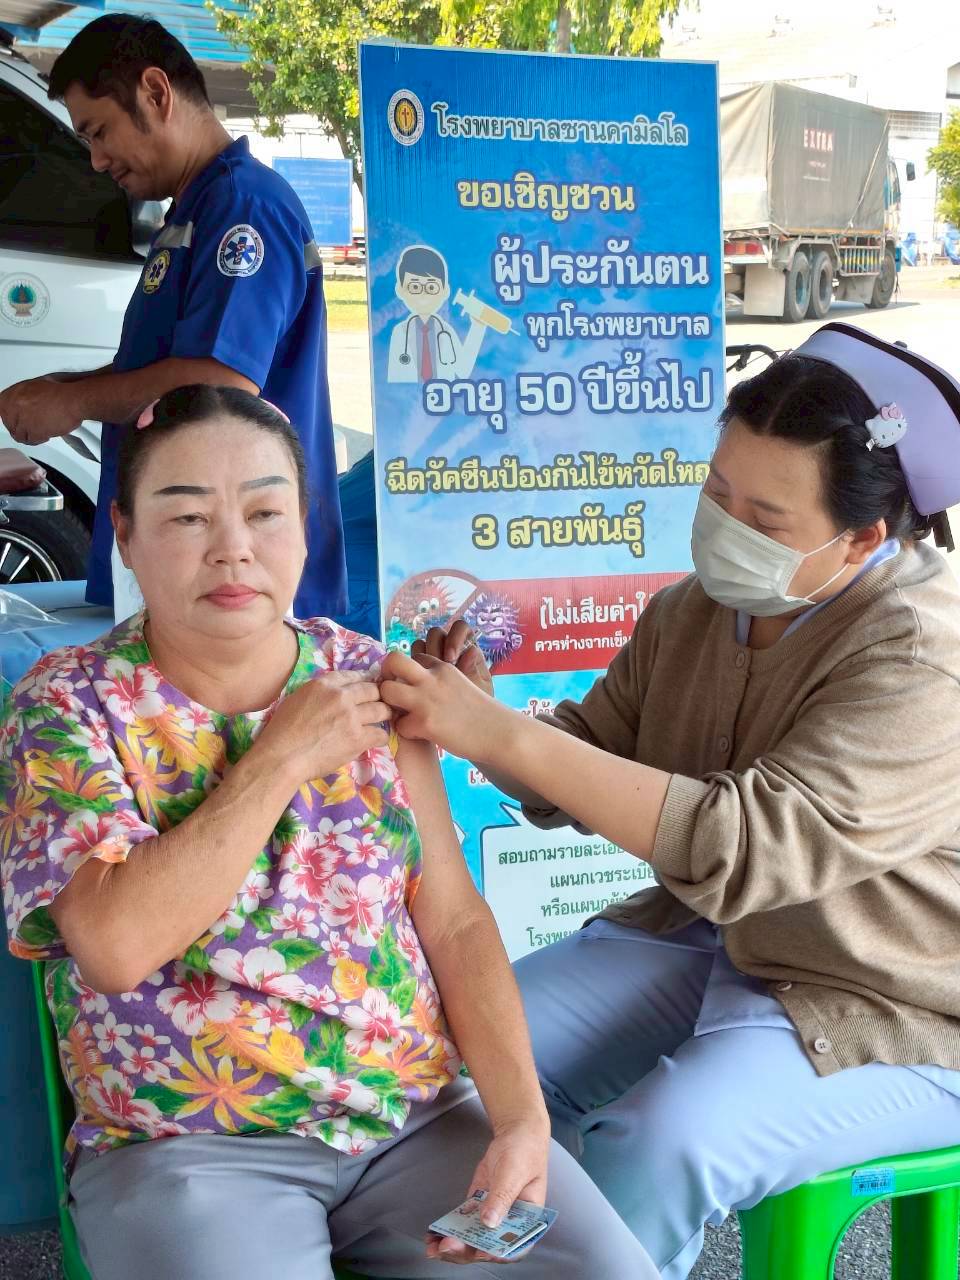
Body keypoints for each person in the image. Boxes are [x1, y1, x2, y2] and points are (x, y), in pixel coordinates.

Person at [0, 385, 659, 1280]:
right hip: (189, 1143)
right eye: (187, 516)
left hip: (411, 1117)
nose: (233, 547)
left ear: (305, 527)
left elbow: (453, 920)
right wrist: (278, 759)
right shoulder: (69, 703)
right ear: (123, 533)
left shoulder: (369, 677)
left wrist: (519, 1121)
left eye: (265, 511)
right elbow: (115, 947)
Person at [379, 322, 960, 1280]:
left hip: (892, 998)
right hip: (722, 938)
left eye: (765, 519)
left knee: (656, 1146)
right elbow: (590, 762)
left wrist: (495, 736)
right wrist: (482, 718)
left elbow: (746, 847)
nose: (728, 528)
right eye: (717, 493)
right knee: (457, 1061)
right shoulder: (696, 610)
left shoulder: (922, 655)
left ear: (861, 538)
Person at [0, 15, 346, 620]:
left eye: (99, 132)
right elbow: (164, 366)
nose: (96, 160)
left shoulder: (244, 208)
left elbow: (221, 381)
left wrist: (73, 402)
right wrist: (64, 388)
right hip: (194, 568)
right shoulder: (191, 212)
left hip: (242, 574)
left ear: (156, 93)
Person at [388, 246, 485, 384]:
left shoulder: (446, 332)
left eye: (431, 287)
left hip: (444, 393)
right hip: (412, 396)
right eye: (415, 287)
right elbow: (395, 378)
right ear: (400, 290)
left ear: (445, 291)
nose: (423, 295)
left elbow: (463, 371)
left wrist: (478, 327)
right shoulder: (400, 333)